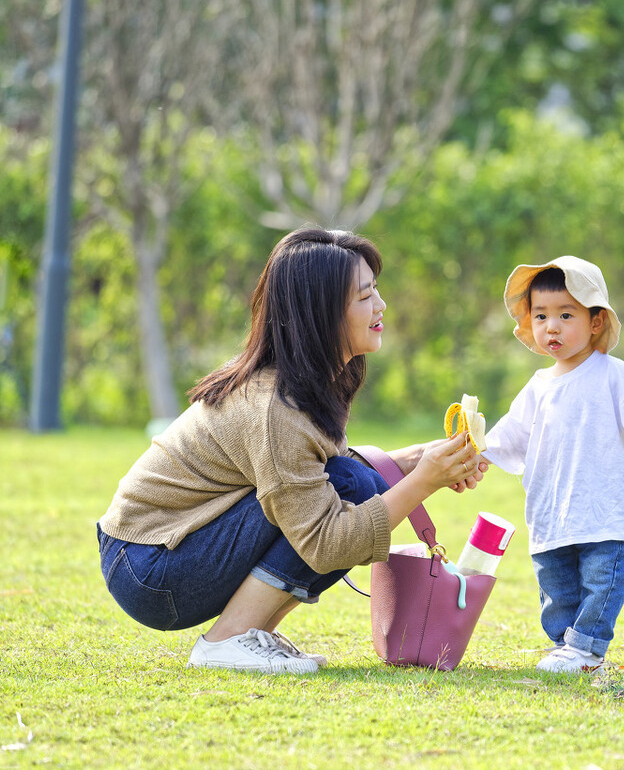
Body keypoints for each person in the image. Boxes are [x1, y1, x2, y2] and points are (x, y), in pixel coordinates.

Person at [97, 227, 483, 675]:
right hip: (149, 567)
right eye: (364, 297)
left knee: (359, 482)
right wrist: (422, 482)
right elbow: (323, 541)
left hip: (167, 550)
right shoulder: (275, 409)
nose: (380, 306)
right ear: (320, 314)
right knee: (351, 489)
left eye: (375, 290)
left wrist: (409, 463)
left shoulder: (310, 382)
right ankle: (227, 641)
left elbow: (317, 475)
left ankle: (251, 635)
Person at [481, 256, 624, 674]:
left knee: (603, 579)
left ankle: (587, 647)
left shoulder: (613, 375)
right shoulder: (538, 387)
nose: (552, 327)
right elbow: (509, 436)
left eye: (566, 315)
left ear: (596, 322)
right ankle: (566, 645)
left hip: (606, 508)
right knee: (557, 585)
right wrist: (478, 452)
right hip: (553, 507)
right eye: (542, 315)